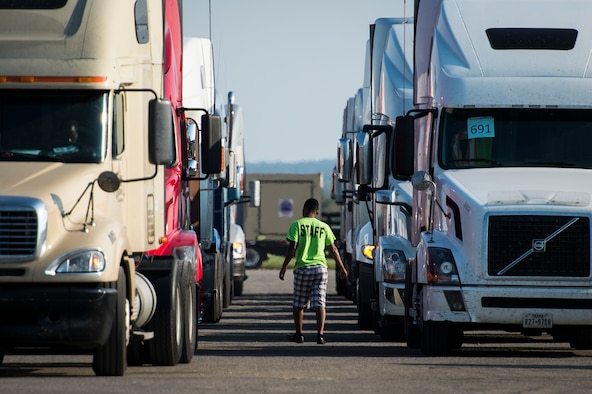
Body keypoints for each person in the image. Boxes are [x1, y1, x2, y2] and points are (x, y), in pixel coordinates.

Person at [279, 198, 348, 344]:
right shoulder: (324, 227)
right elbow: (333, 249)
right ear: (317, 212)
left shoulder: (296, 225)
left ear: (304, 209)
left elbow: (292, 248)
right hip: (320, 269)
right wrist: (342, 268)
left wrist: (284, 266)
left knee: (298, 304)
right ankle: (320, 335)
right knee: (320, 302)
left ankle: (299, 334)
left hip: (302, 268)